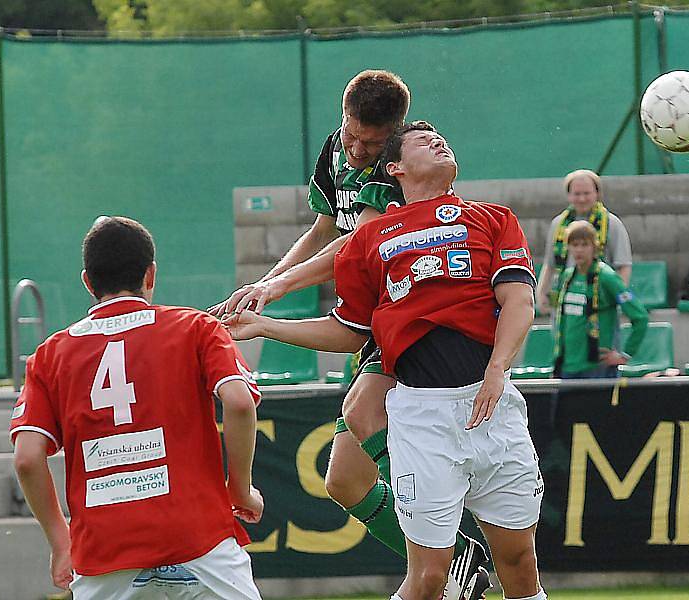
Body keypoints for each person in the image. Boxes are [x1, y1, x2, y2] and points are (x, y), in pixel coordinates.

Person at [226, 121, 546, 600]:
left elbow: (519, 300)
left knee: (521, 565)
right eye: (424, 140)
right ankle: (458, 558)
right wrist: (266, 325)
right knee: (431, 577)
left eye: (443, 138)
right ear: (393, 167)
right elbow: (349, 331)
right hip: (423, 417)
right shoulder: (372, 238)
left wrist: (498, 367)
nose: (440, 141)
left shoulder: (493, 218)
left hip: (493, 408)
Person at [10, 216, 263, 600]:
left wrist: (61, 542)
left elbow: (27, 459)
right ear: (151, 275)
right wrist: (239, 490)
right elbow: (240, 403)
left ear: (88, 282)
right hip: (199, 539)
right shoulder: (195, 327)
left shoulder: (50, 355)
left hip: (104, 552)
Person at [553, 220, 649, 379]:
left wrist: (625, 355)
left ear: (594, 247)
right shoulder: (567, 276)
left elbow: (640, 317)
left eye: (584, 245)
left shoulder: (607, 277)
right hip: (567, 366)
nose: (579, 250)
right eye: (574, 244)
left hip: (597, 368)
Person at [536, 169, 633, 315]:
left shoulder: (611, 223)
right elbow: (550, 264)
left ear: (597, 194)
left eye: (586, 193)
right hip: (566, 300)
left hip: (599, 302)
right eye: (577, 194)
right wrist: (541, 294)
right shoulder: (558, 224)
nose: (582, 199)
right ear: (569, 195)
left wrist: (614, 299)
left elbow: (623, 265)